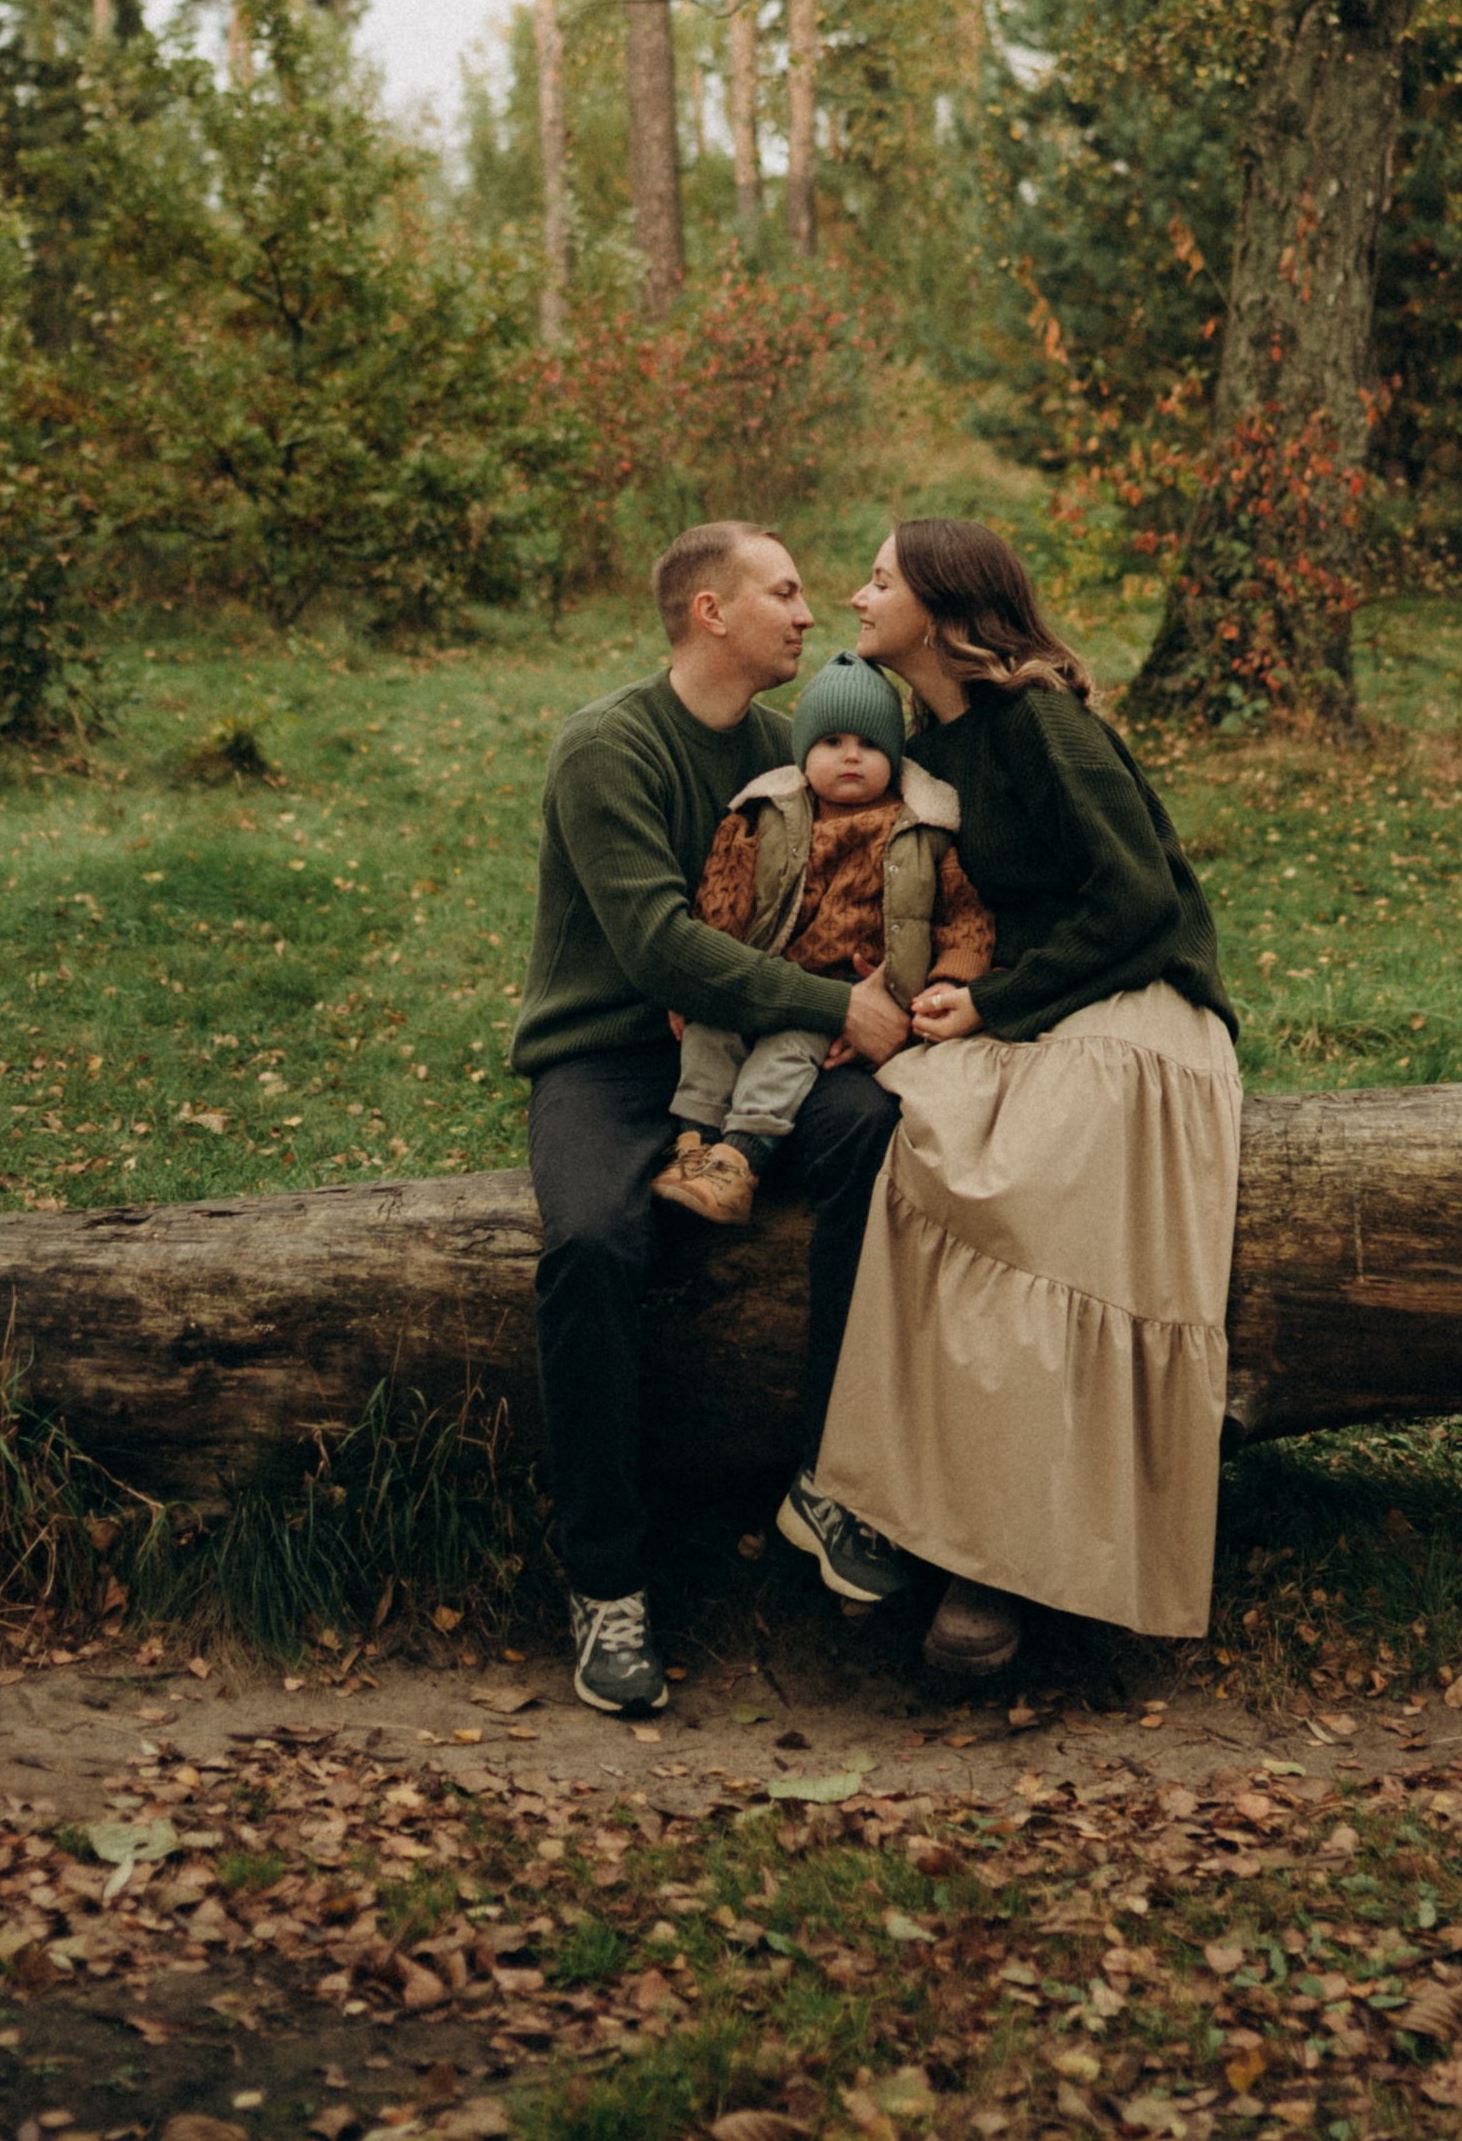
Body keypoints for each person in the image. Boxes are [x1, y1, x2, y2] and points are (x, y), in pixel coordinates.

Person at [811, 518, 1242, 1680]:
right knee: (919, 1135)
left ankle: (995, 1565)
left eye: (881, 577)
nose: (857, 594)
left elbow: (1140, 898)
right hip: (1027, 1003)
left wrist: (999, 1002)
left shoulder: (1044, 722)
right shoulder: (928, 743)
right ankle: (899, 1507)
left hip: (1138, 1007)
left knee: (1018, 1191)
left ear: (945, 609)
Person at [510, 521, 919, 1720]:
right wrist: (830, 1000)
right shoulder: (607, 747)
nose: (810, 614)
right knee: (591, 1244)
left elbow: (851, 885)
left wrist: (860, 1000)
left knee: (878, 1141)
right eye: (785, 594)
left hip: (764, 1054)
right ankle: (607, 1580)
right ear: (711, 613)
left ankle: (828, 1481)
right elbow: (656, 947)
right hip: (611, 1054)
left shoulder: (794, 748)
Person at [656, 643, 992, 1228]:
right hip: (758, 974)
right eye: (832, 743)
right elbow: (723, 897)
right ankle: (694, 1143)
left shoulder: (923, 829)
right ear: (803, 752)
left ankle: (740, 1159)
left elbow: (965, 916)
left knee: (785, 1054)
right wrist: (697, 983)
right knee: (710, 1032)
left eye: (868, 745)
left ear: (893, 755)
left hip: (841, 995)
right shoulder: (767, 812)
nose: (851, 757)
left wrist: (947, 981)